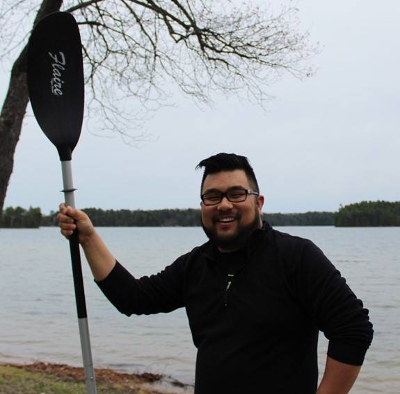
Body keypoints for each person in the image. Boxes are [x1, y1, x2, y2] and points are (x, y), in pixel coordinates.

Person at [58, 153, 373, 394]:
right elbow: (132, 298)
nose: (224, 204)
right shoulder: (195, 265)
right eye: (212, 196)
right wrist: (88, 237)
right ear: (202, 205)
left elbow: (353, 329)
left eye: (236, 194)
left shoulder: (296, 257)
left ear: (259, 202)